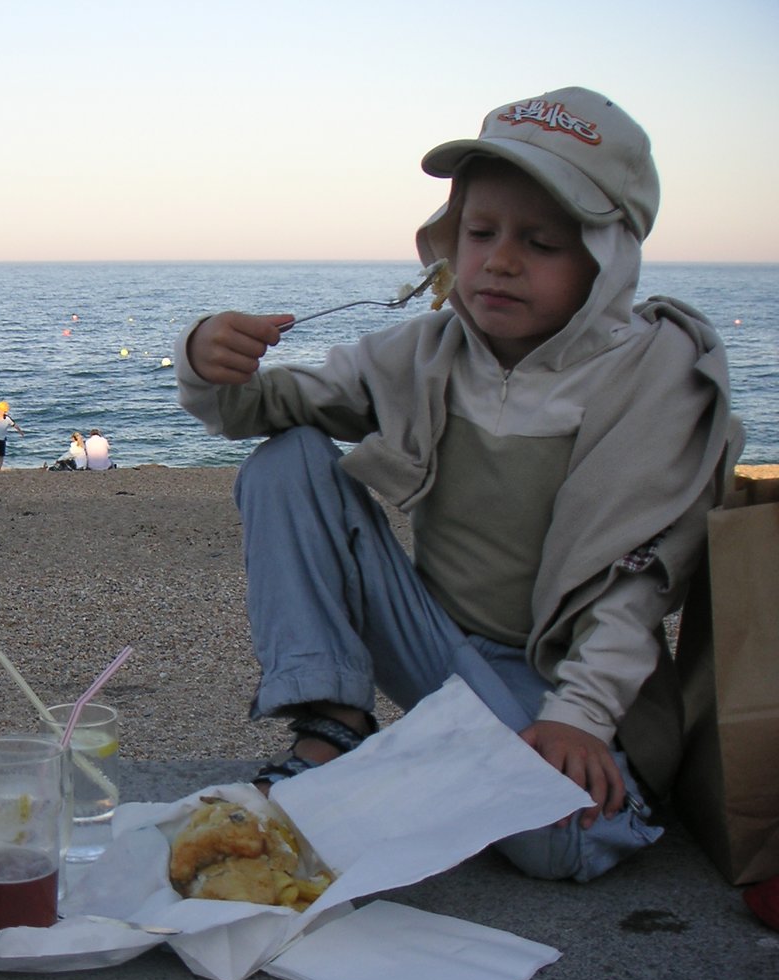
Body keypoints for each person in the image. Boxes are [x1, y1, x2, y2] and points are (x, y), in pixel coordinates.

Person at [175, 88, 740, 883]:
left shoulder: (656, 379)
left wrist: (579, 718)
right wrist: (208, 359)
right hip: (444, 650)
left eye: (541, 242)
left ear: (608, 258)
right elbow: (262, 409)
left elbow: (638, 580)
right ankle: (336, 722)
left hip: (574, 689)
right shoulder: (427, 351)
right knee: (287, 459)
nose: (500, 261)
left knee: (559, 847)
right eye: (480, 233)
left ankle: (460, 764)